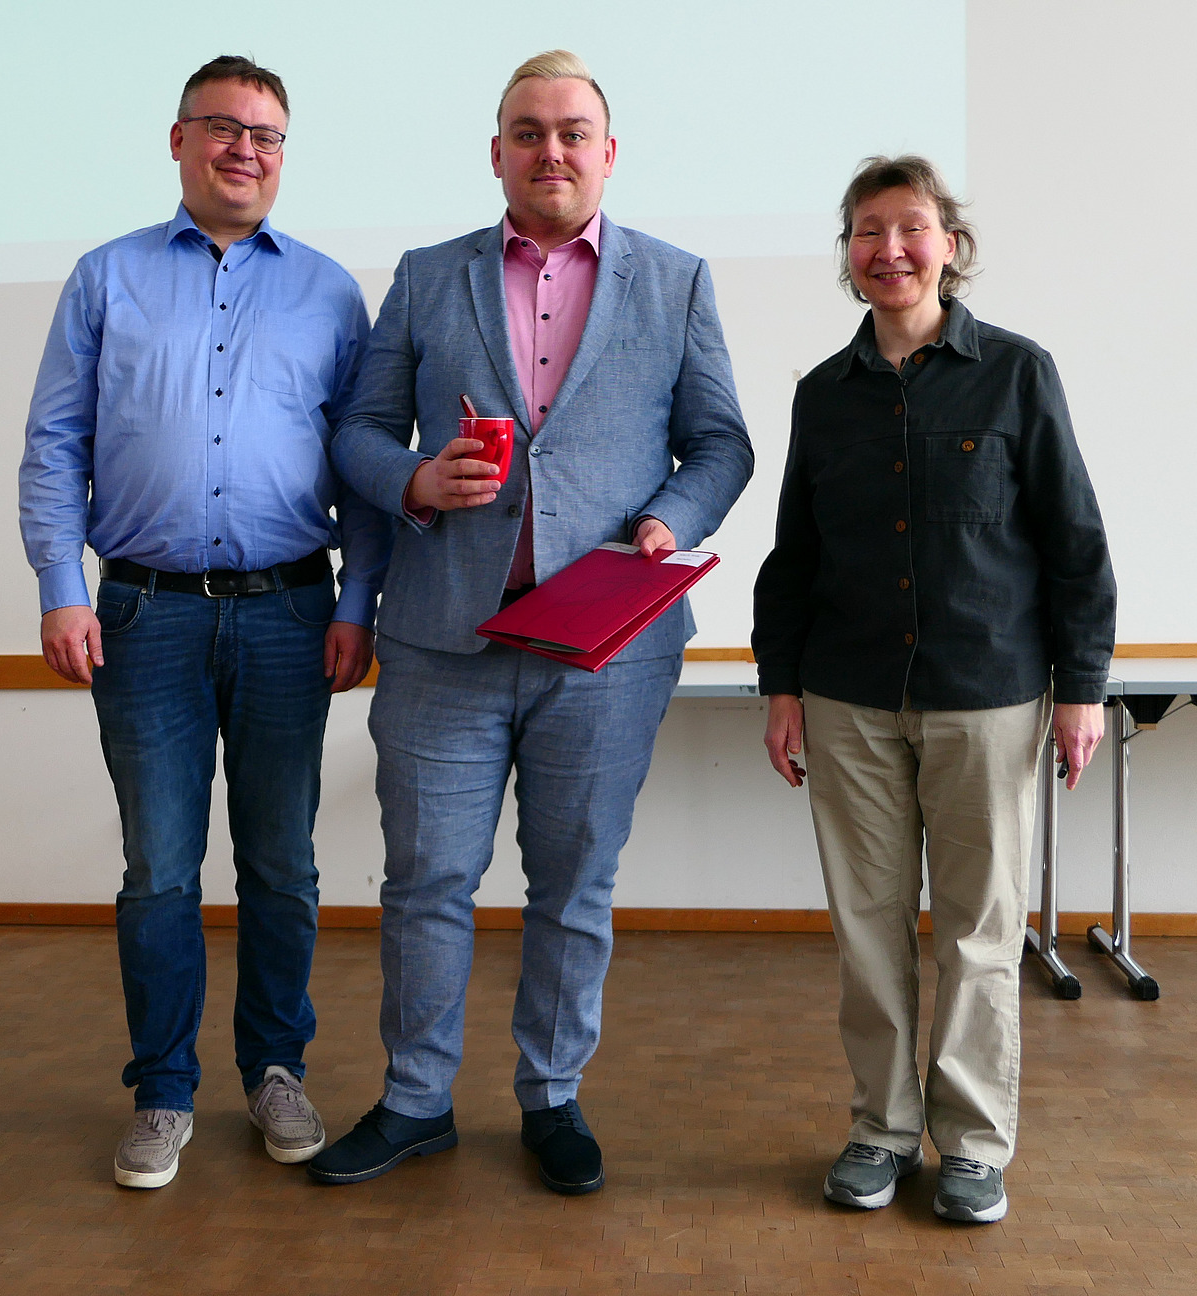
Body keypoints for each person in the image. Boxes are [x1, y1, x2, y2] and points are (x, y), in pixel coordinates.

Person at [305, 50, 752, 1195]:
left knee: (574, 884)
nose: (550, 150)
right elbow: (356, 426)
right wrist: (409, 479)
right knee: (426, 882)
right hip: (443, 640)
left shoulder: (678, 280)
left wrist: (668, 517)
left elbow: (721, 444)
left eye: (571, 131)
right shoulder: (426, 274)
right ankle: (415, 1101)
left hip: (606, 648)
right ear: (496, 151)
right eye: (526, 132)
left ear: (608, 151)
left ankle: (551, 1096)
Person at [18, 55, 391, 1189]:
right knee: (160, 869)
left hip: (291, 612)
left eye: (268, 135)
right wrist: (60, 584)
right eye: (223, 128)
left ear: (285, 156)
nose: (245, 149)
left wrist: (359, 602)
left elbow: (365, 467)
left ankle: (276, 1069)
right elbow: (53, 446)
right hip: (143, 614)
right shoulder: (105, 279)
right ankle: (165, 1090)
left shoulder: (329, 291)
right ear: (177, 141)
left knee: (282, 865)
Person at [752, 155, 1115, 1224]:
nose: (891, 250)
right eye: (868, 231)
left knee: (977, 934)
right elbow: (795, 557)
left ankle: (973, 1146)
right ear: (849, 256)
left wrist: (1082, 688)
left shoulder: (1016, 372)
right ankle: (879, 1131)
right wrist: (781, 689)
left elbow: (1074, 541)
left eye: (911, 228)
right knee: (869, 932)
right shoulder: (822, 394)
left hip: (988, 694)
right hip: (847, 696)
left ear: (950, 244)